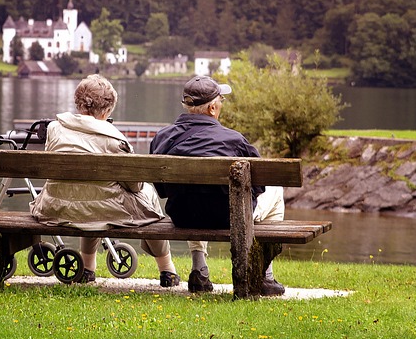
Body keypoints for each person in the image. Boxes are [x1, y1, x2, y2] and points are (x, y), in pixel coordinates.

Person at [30, 74, 181, 287]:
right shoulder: (113, 138)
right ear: (107, 110)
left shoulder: (55, 128)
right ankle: (167, 270)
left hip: (56, 206)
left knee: (90, 195)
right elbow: (134, 185)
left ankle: (87, 268)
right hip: (100, 209)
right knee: (147, 195)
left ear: (78, 103)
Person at [149, 75, 287, 295]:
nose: (221, 104)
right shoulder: (234, 140)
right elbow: (259, 186)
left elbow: (162, 190)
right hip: (229, 217)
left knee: (193, 198)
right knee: (276, 190)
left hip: (183, 216)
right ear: (213, 108)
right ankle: (265, 276)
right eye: (221, 100)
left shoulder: (162, 138)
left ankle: (199, 269)